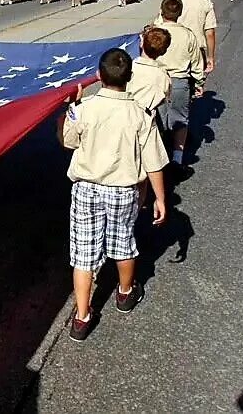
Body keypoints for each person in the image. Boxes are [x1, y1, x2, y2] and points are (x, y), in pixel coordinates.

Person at [57, 49, 168, 342]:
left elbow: (68, 141)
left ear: (98, 76)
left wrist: (67, 111)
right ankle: (125, 293)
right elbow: (153, 161)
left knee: (83, 253)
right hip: (123, 191)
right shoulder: (140, 115)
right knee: (122, 242)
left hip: (87, 189)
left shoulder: (85, 109)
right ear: (129, 77)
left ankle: (81, 318)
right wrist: (160, 198)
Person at [155, 0, 206, 175]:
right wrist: (200, 82)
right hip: (180, 80)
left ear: (162, 12)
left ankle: (157, 159)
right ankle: (177, 158)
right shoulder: (188, 34)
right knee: (180, 120)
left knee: (157, 120)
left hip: (157, 79)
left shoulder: (154, 32)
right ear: (180, 13)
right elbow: (197, 62)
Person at [157, 0, 217, 74]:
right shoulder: (205, 2)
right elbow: (210, 33)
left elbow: (158, 26)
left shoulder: (171, 1)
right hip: (198, 50)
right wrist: (210, 57)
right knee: (197, 83)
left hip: (174, 48)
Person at [127, 26, 172, 118]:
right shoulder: (163, 77)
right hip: (146, 119)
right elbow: (165, 96)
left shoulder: (128, 68)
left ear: (141, 44)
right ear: (163, 52)